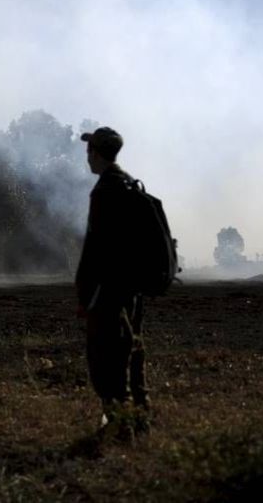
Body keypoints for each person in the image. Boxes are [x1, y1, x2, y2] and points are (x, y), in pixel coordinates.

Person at [75, 127, 150, 440]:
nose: (86, 156)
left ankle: (120, 425)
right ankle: (140, 418)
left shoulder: (106, 190)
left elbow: (97, 249)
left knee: (107, 359)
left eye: (89, 150)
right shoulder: (131, 184)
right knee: (130, 352)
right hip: (131, 287)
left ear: (96, 152)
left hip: (108, 291)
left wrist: (85, 294)